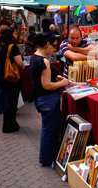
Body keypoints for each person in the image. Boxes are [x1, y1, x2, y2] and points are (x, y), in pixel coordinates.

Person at [30, 32, 70, 166]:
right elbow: (46, 85)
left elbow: (44, 79)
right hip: (48, 99)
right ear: (47, 44)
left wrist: (56, 77)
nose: (54, 50)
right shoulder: (44, 61)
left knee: (48, 129)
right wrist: (63, 83)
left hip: (41, 99)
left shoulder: (35, 57)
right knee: (50, 130)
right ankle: (46, 159)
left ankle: (46, 157)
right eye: (53, 46)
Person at [0, 26, 24, 133]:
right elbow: (19, 63)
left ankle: (9, 123)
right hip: (12, 77)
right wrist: (22, 65)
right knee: (12, 102)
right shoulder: (13, 47)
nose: (16, 35)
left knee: (8, 100)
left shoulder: (0, 45)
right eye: (15, 33)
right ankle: (9, 125)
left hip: (2, 75)